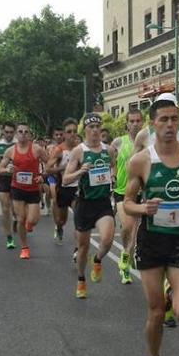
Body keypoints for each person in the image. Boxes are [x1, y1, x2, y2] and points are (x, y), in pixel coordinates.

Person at [123, 94, 179, 356]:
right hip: (152, 242)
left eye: (174, 119)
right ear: (153, 124)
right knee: (156, 311)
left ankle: (175, 296)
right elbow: (127, 202)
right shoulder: (141, 161)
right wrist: (143, 208)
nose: (170, 125)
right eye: (164, 120)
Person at [62, 114, 116, 298]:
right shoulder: (79, 151)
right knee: (83, 247)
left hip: (102, 203)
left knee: (108, 239)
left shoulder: (108, 150)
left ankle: (98, 259)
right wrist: (80, 171)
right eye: (91, 127)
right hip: (84, 204)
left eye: (97, 126)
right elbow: (65, 179)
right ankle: (81, 278)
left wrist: (113, 176)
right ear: (84, 130)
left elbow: (113, 167)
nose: (95, 130)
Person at [0, 123, 49, 259]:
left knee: (33, 219)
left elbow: (49, 163)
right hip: (17, 188)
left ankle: (29, 223)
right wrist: (7, 170)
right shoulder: (10, 151)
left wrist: (42, 176)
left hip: (33, 189)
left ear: (30, 135)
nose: (23, 134)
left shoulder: (36, 149)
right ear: (16, 134)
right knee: (20, 219)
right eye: (20, 131)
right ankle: (24, 247)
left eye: (26, 132)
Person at [112, 108, 145, 285]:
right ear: (126, 123)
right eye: (131, 121)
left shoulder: (148, 144)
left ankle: (125, 263)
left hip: (140, 192)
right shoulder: (118, 142)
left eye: (138, 121)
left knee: (134, 233)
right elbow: (110, 160)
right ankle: (126, 254)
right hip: (121, 192)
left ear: (142, 122)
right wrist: (112, 174)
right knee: (127, 227)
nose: (134, 124)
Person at [46, 119, 79, 244]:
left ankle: (79, 245)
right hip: (64, 187)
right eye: (69, 131)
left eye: (74, 131)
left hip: (78, 188)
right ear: (64, 134)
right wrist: (64, 167)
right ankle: (59, 227)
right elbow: (48, 169)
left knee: (78, 215)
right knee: (61, 220)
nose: (72, 134)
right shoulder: (59, 150)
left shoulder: (81, 148)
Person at [0, 124, 17, 247]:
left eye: (11, 132)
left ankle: (17, 220)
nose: (9, 134)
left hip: (17, 179)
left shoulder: (19, 144)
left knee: (16, 209)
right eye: (7, 132)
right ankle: (9, 236)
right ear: (3, 131)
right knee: (5, 208)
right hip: (3, 178)